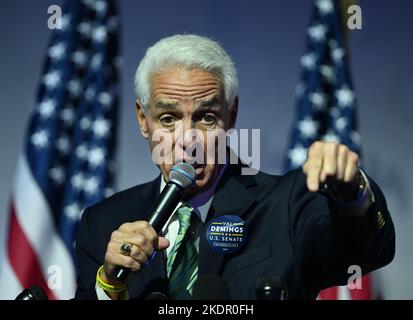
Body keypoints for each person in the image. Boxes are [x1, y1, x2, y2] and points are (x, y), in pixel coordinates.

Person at [75, 34, 395, 300]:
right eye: (168, 119)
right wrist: (110, 284)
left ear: (232, 115)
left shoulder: (288, 204)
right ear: (143, 120)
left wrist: (352, 192)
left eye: (206, 117)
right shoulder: (103, 222)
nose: (189, 140)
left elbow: (368, 250)